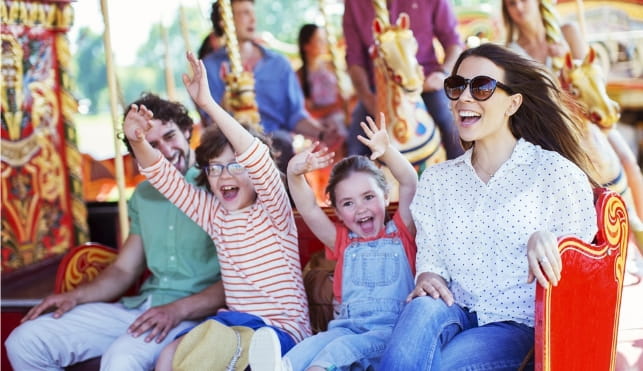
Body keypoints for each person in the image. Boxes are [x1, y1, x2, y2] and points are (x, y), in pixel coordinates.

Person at [380, 43, 599, 370]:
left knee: (446, 365)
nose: (464, 97)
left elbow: (584, 267)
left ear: (513, 103)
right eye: (456, 87)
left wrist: (550, 240)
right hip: (454, 307)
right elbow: (432, 256)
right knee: (420, 309)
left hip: (516, 323)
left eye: (481, 87)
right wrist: (428, 275)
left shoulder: (555, 173)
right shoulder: (439, 179)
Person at [4, 93, 225, 370]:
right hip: (142, 306)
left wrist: (177, 310)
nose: (166, 152)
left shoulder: (218, 186)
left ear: (186, 131)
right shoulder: (143, 195)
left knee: (121, 359)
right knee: (25, 340)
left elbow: (237, 279)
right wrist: (75, 296)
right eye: (152, 145)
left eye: (170, 137)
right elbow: (123, 270)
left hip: (195, 313)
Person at [122, 51, 311, 370]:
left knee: (231, 352)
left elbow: (256, 156)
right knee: (170, 356)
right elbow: (165, 178)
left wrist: (208, 103)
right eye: (215, 168)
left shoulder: (274, 210)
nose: (225, 174)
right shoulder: (214, 216)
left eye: (236, 165)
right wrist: (136, 140)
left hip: (280, 329)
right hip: (231, 324)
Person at [248, 112, 417, 371]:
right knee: (316, 344)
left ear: (385, 197)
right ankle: (281, 367)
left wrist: (388, 151)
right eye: (348, 203)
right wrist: (294, 173)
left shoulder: (401, 232)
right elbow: (309, 208)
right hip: (344, 327)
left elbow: (409, 182)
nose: (360, 208)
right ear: (338, 213)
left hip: (391, 333)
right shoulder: (342, 241)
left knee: (339, 350)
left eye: (368, 197)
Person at [203, 0, 345, 171]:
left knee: (281, 146)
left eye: (252, 13)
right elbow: (209, 121)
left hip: (275, 142)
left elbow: (295, 116)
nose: (253, 19)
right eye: (244, 13)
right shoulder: (209, 68)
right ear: (224, 21)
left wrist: (321, 132)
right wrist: (225, 102)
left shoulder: (279, 64)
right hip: (232, 145)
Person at [342, 0, 464, 159]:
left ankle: (464, 174)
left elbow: (453, 42)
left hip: (423, 82)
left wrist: (443, 73)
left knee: (450, 124)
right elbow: (355, 59)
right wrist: (366, 96)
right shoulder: (354, 4)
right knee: (355, 146)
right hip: (380, 89)